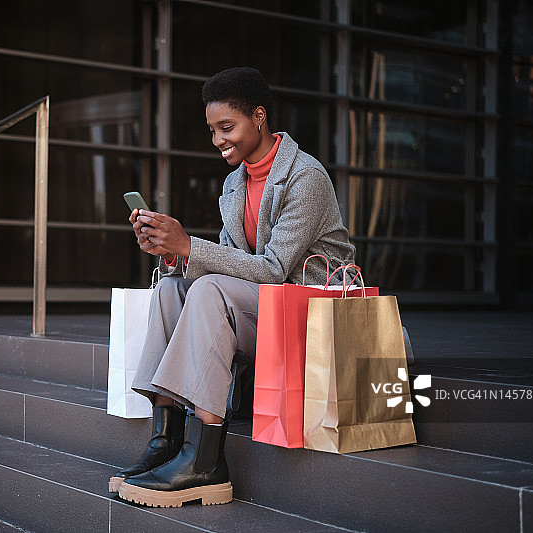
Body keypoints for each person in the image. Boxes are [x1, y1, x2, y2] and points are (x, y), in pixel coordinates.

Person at [111, 66, 356, 508]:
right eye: (212, 130)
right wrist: (173, 254)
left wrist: (190, 243)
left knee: (209, 292)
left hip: (311, 314)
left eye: (227, 127)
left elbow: (274, 269)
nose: (217, 140)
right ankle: (167, 439)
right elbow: (228, 262)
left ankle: (205, 461)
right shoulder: (234, 183)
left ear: (259, 117)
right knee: (170, 289)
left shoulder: (305, 177)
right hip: (265, 309)